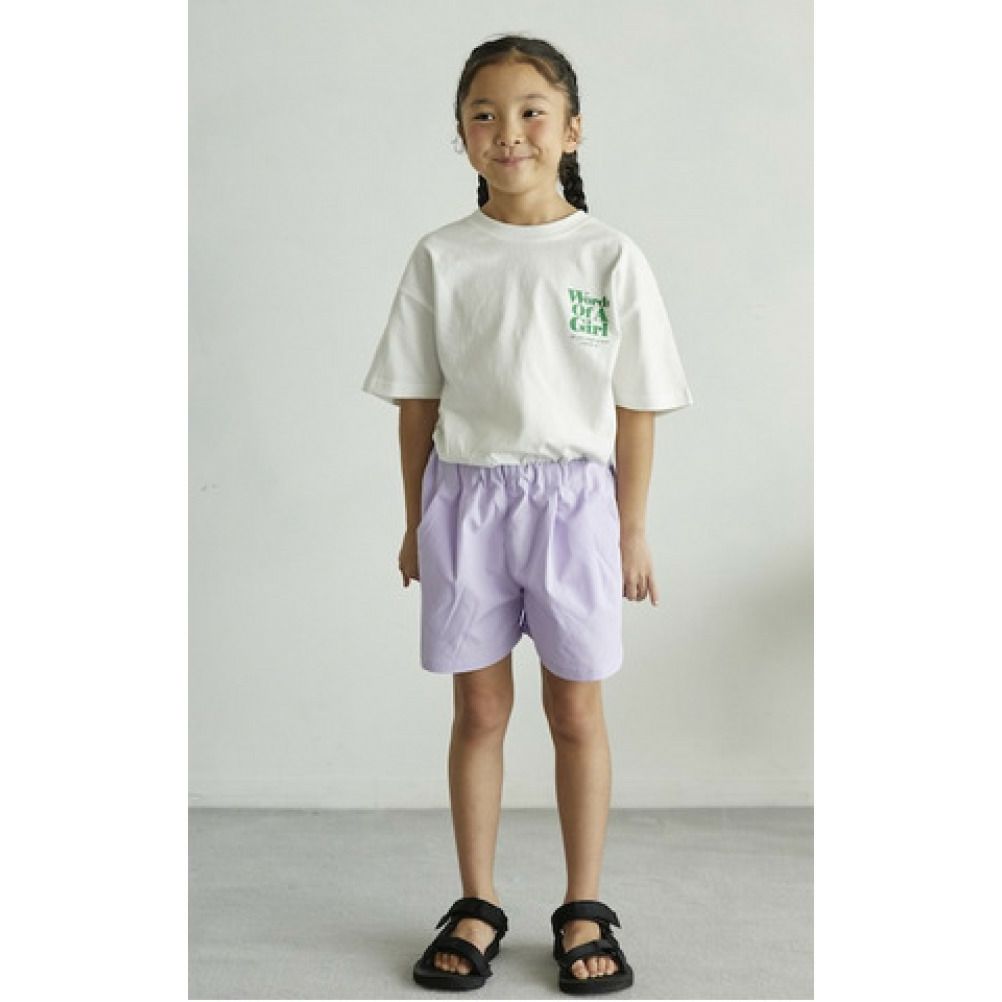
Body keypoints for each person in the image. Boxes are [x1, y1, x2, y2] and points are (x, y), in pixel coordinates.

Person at [361, 34, 693, 995]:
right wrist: (416, 519)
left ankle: (585, 905)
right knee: (478, 708)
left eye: (531, 111)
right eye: (484, 114)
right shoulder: (443, 257)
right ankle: (478, 901)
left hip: (575, 506)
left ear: (572, 129)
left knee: (575, 708)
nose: (508, 131)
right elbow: (417, 403)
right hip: (466, 498)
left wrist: (631, 527)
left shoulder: (608, 256)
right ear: (463, 135)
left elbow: (635, 406)